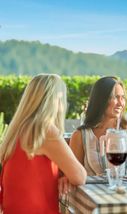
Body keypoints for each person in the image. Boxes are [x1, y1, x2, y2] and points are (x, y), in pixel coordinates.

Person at [0, 74, 87, 214]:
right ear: (55, 100)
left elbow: (31, 172)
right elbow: (80, 177)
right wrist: (68, 175)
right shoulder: (44, 130)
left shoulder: (17, 129)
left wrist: (62, 175)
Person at [69, 76, 127, 176]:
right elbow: (74, 175)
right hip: (91, 191)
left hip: (126, 191)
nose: (121, 103)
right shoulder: (80, 136)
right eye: (115, 97)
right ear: (101, 100)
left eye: (122, 98)